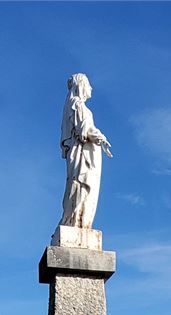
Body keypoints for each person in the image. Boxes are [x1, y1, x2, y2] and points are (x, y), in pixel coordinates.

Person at [59, 73, 112, 229]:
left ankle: (75, 220)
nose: (91, 88)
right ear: (82, 86)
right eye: (88, 85)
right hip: (83, 154)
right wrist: (100, 137)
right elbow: (85, 129)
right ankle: (75, 221)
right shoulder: (77, 105)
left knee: (79, 187)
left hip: (83, 152)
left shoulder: (72, 105)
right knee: (81, 186)